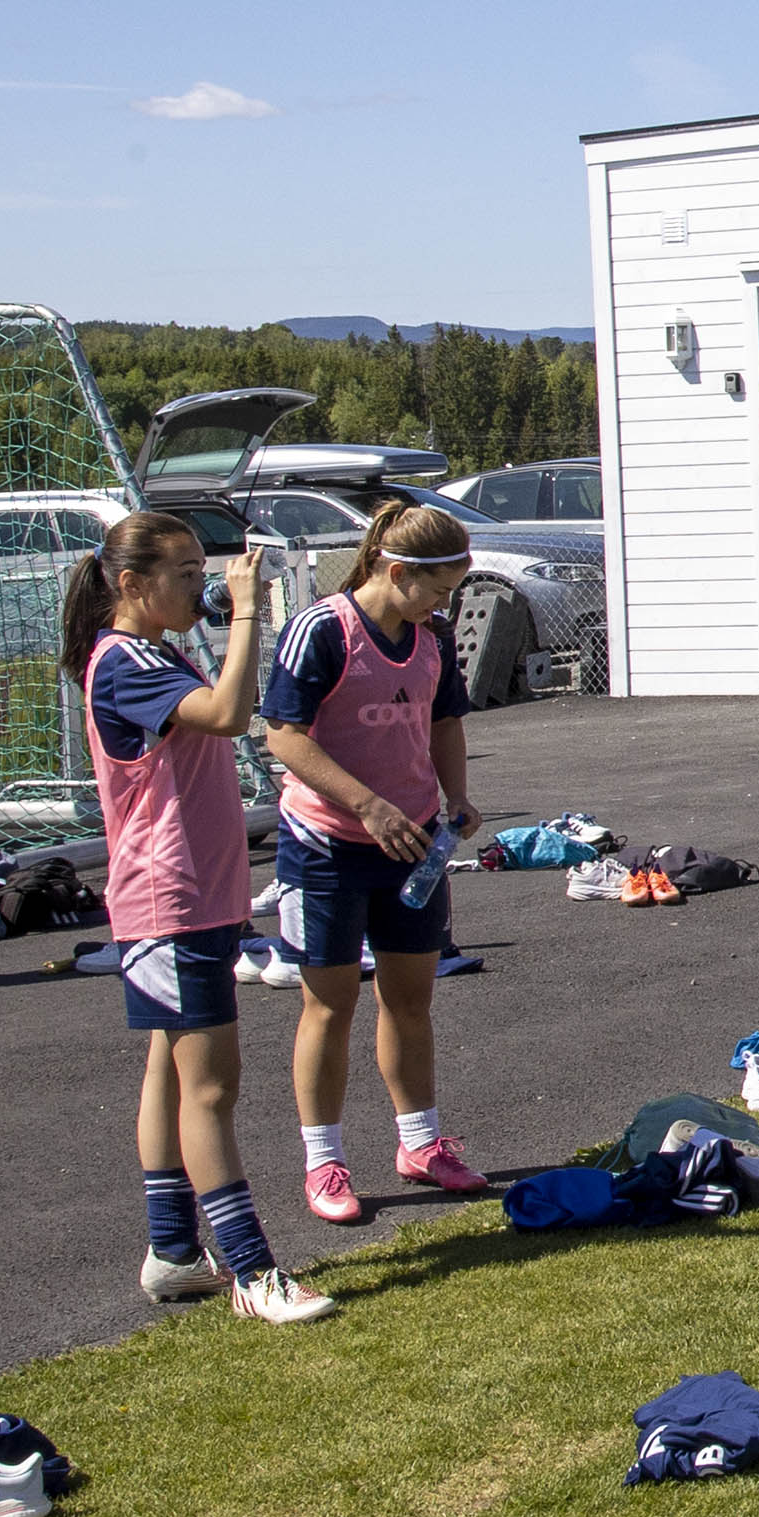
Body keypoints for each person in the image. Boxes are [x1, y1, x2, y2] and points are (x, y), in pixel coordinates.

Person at [61, 515, 332, 1323]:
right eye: (181, 572)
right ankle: (254, 1273)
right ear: (130, 585)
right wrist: (247, 614)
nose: (197, 584)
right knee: (210, 1088)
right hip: (165, 901)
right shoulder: (126, 660)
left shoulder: (156, 652)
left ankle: (174, 1251)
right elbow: (226, 713)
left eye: (197, 569)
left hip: (195, 897)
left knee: (170, 1072)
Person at [258, 497, 485, 1223]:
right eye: (440, 589)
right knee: (329, 1005)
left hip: (412, 847)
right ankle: (323, 1162)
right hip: (327, 846)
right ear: (395, 570)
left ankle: (420, 1142)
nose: (446, 605)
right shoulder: (321, 630)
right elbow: (284, 737)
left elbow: (444, 718)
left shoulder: (433, 634)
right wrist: (366, 805)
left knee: (411, 999)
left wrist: (456, 796)